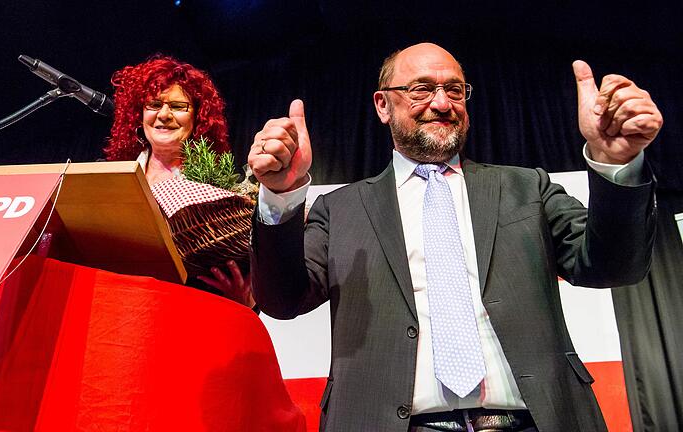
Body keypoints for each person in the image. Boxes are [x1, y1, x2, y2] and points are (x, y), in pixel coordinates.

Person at [247, 42, 662, 431]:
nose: (442, 104)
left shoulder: (526, 188)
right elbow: (282, 300)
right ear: (383, 105)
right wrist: (281, 196)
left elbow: (613, 264)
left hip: (534, 420)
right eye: (421, 90)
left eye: (455, 90)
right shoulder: (340, 210)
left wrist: (616, 164)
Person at [104, 55, 254, 308]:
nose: (164, 114)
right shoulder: (112, 178)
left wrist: (245, 301)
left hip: (184, 315)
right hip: (116, 308)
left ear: (198, 118)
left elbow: (237, 275)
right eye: (154, 104)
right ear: (138, 115)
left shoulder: (217, 190)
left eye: (177, 106)